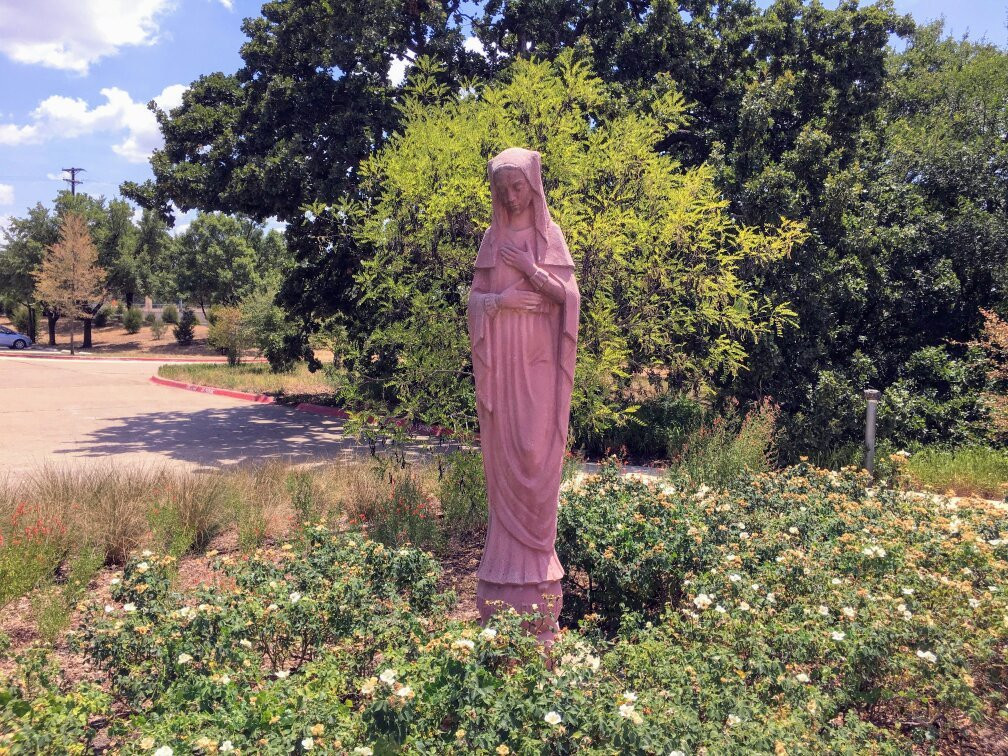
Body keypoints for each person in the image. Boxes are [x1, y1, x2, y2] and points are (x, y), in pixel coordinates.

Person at [467, 147, 580, 643]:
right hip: (503, 361)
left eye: (518, 187)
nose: (511, 196)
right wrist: (500, 301)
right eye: (503, 189)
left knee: (537, 454)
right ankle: (504, 566)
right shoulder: (491, 238)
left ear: (532, 187)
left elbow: (570, 298)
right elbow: (474, 301)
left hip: (537, 361)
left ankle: (538, 562)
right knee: (506, 451)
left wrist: (531, 270)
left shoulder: (548, 236)